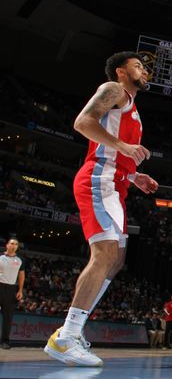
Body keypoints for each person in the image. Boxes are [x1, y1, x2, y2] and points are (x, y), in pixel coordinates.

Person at [45, 52, 159, 367]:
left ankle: (73, 330)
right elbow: (83, 123)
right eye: (138, 66)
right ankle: (66, 337)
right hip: (98, 181)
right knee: (105, 255)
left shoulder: (132, 107)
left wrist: (135, 176)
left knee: (116, 259)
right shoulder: (113, 89)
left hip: (116, 185)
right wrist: (122, 147)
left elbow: (115, 151)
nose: (144, 71)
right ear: (122, 71)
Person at [0, 238, 25, 349]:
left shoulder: (20, 260)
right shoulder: (0, 257)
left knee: (8, 317)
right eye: (12, 243)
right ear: (7, 245)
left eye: (16, 244)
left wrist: (20, 290)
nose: (14, 245)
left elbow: (21, 276)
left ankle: (5, 341)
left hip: (11, 289)